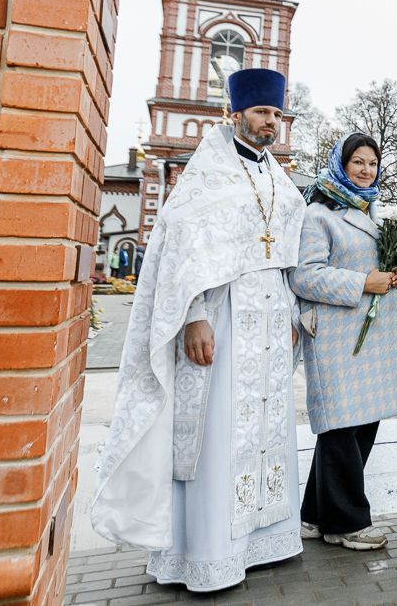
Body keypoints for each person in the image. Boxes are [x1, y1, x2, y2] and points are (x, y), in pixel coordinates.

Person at [91, 69, 305, 592]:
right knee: (219, 429)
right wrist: (194, 316)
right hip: (224, 315)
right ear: (236, 114)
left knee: (266, 427)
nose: (270, 123)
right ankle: (208, 551)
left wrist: (293, 312)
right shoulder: (206, 173)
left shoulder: (279, 177)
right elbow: (183, 252)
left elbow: (286, 254)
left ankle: (264, 539)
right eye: (261, 113)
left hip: (271, 319)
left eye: (276, 114)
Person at [288, 133, 397, 550]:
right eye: (358, 162)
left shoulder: (372, 212)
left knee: (359, 425)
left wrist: (392, 275)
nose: (366, 170)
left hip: (369, 340)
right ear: (341, 163)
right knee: (340, 427)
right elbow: (304, 276)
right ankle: (347, 522)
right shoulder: (318, 214)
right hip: (337, 338)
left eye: (372, 164)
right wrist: (364, 283)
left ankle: (315, 514)